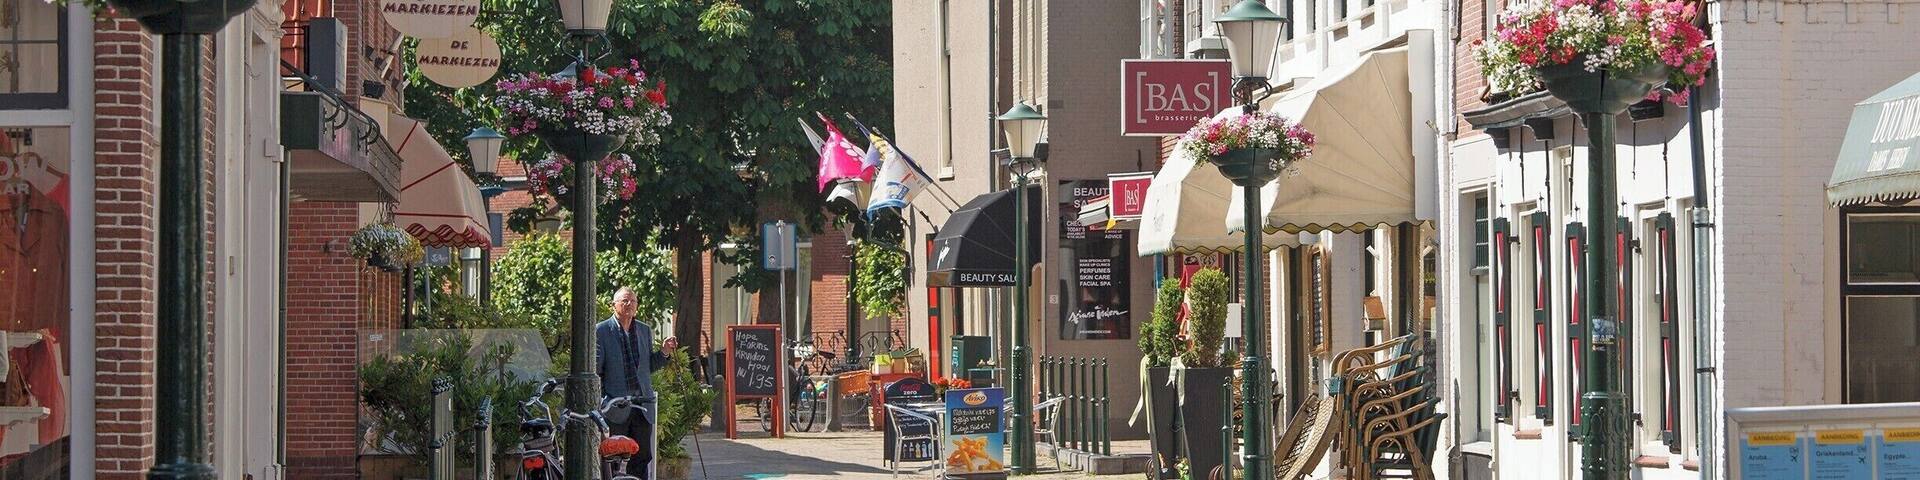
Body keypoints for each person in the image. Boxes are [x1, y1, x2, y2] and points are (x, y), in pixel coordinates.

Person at [596, 287, 677, 478]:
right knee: (613, 458)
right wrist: (602, 400)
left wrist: (664, 351)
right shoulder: (601, 330)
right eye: (624, 301)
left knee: (642, 457)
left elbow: (647, 366)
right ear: (613, 305)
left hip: (642, 406)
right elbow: (597, 370)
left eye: (633, 301)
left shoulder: (643, 330)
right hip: (616, 406)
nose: (629, 305)